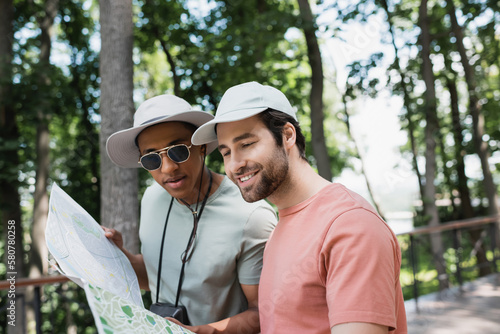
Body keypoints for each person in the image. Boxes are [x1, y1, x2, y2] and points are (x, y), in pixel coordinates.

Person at [192, 81, 408, 334]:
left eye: (247, 144)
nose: (234, 165)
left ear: (287, 135)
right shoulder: (282, 224)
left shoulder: (351, 226)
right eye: (226, 152)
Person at [104, 94, 277, 334]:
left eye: (177, 151)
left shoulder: (251, 215)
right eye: (152, 158)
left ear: (202, 146)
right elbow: (155, 277)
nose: (167, 168)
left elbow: (262, 313)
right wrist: (114, 254)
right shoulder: (152, 198)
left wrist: (197, 331)